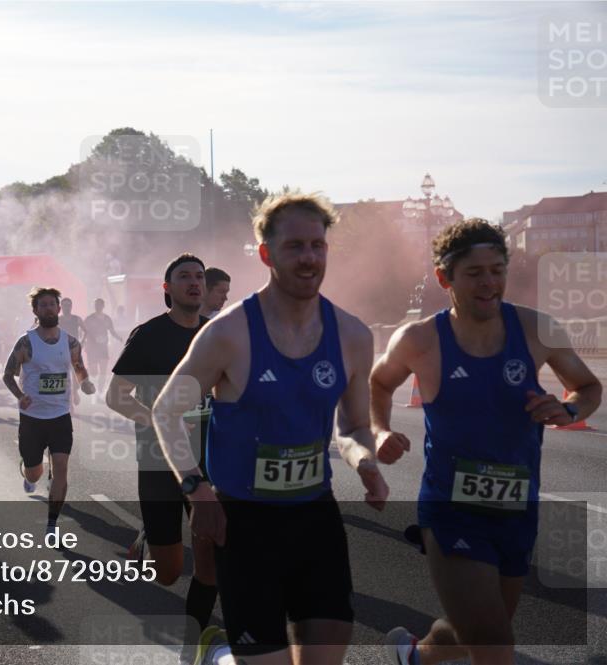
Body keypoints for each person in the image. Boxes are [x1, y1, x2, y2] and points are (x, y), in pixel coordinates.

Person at [152, 193, 389, 664]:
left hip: (315, 518)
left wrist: (365, 461)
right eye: (294, 246)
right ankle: (220, 655)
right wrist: (198, 490)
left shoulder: (353, 335)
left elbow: (354, 426)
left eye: (317, 246)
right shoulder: (228, 333)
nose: (309, 258)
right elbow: (165, 411)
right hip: (246, 525)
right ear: (266, 254)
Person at [370, 219, 602, 665]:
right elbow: (379, 384)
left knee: (479, 629)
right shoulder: (420, 339)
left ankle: (413, 656)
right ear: (445, 278)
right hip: (451, 508)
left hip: (517, 508)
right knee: (494, 642)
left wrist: (569, 410)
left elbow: (588, 387)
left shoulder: (536, 329)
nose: (489, 283)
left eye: (497, 270)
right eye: (474, 273)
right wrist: (380, 431)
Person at [106, 253, 221, 647]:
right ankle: (149, 537)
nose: (194, 282)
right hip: (159, 461)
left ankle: (193, 642)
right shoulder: (149, 335)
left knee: (210, 557)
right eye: (184, 276)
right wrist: (157, 419)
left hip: (208, 462)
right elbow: (116, 396)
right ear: (167, 288)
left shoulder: (216, 335)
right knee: (169, 573)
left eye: (199, 276)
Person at [3, 287, 95, 536]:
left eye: (52, 304)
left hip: (61, 416)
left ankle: (52, 524)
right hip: (32, 418)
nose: (48, 309)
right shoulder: (26, 342)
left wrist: (85, 382)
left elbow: (78, 367)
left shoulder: (70, 341)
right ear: (35, 311)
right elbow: (8, 375)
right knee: (34, 474)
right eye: (42, 305)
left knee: (61, 468)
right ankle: (28, 472)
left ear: (58, 308)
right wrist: (20, 396)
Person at [83, 298, 123, 395]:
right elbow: (84, 331)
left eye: (100, 304)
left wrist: (119, 338)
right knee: (94, 372)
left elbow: (112, 331)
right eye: (96, 304)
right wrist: (83, 342)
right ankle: (86, 375)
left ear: (103, 306)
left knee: (103, 371)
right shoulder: (89, 318)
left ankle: (100, 391)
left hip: (103, 348)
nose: (98, 306)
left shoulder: (107, 319)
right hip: (92, 348)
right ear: (94, 306)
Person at [59, 298, 86, 406]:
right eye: (65, 305)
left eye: (69, 305)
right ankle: (64, 394)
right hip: (61, 350)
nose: (67, 307)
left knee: (75, 371)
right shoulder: (58, 319)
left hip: (74, 349)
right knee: (62, 372)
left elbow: (86, 331)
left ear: (71, 306)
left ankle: (74, 392)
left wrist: (82, 342)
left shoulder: (77, 319)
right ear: (61, 307)